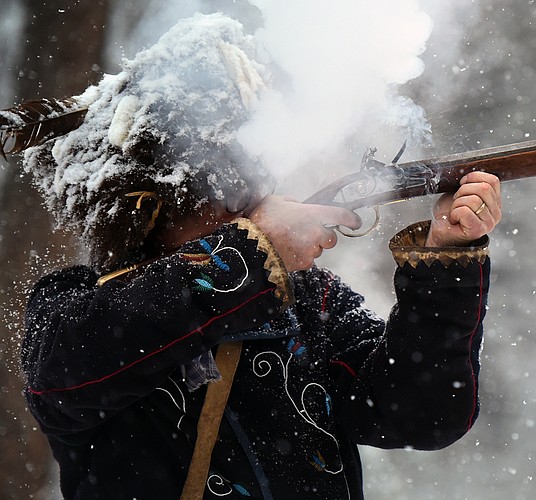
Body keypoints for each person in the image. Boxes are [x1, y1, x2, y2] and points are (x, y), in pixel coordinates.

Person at [13, 14, 500, 499]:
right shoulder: (68, 308)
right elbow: (83, 360)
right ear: (150, 209)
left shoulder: (307, 299)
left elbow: (424, 414)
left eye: (249, 185)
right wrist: (253, 248)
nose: (245, 207)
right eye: (222, 191)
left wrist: (447, 257)